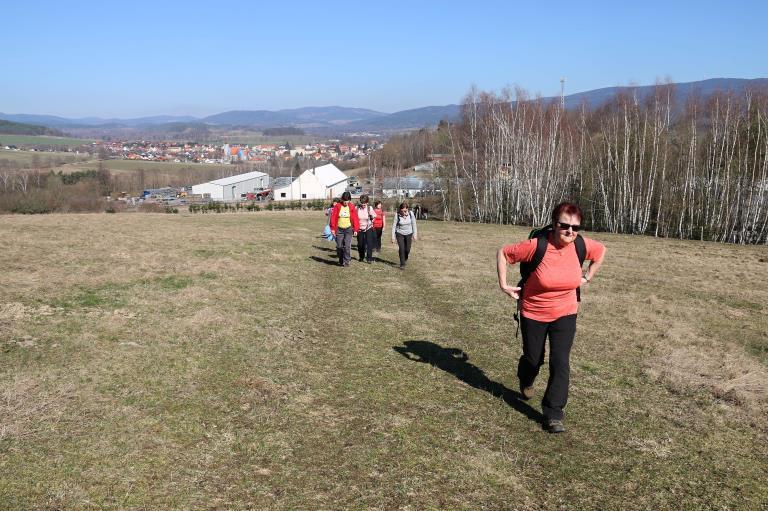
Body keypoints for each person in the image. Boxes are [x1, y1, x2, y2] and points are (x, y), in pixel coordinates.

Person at [496, 202, 606, 434]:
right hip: (533, 311)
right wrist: (504, 285)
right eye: (564, 225)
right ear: (554, 224)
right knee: (533, 359)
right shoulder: (537, 245)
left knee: (561, 361)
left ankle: (554, 412)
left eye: (575, 227)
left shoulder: (581, 245)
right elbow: (504, 253)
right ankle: (526, 379)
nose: (570, 231)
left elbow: (601, 252)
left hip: (566, 312)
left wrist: (587, 277)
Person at [330, 191, 359, 266]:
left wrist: (356, 229)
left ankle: (346, 261)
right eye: (344, 200)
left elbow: (355, 218)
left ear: (350, 200)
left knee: (347, 246)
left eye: (347, 200)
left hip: (348, 229)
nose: (346, 202)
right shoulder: (337, 206)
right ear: (342, 199)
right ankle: (341, 259)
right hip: (339, 229)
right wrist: (333, 229)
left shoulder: (352, 207)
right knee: (339, 246)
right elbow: (333, 217)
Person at [391, 201, 418, 269]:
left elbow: (414, 224)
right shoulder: (397, 215)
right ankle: (402, 264)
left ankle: (405, 257)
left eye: (405, 211)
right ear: (400, 210)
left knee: (407, 249)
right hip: (399, 233)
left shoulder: (411, 214)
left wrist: (415, 235)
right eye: (402, 211)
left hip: (409, 233)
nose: (403, 212)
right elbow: (394, 226)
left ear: (407, 209)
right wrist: (393, 237)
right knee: (402, 248)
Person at [355, 195, 377, 264]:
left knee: (369, 243)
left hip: (368, 227)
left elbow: (374, 216)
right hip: (359, 228)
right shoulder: (357, 208)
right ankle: (361, 256)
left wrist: (372, 220)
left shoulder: (369, 208)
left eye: (365, 203)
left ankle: (369, 258)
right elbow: (354, 218)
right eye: (362, 203)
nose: (363, 204)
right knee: (360, 244)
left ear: (367, 202)